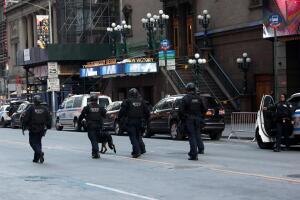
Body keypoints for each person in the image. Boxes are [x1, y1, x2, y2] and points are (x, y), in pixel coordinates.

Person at [118, 88, 150, 158]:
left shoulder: (127, 101)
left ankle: (136, 151)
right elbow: (147, 112)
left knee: (133, 137)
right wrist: (145, 120)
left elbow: (122, 111)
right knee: (138, 136)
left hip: (131, 122)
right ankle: (138, 150)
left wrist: (120, 118)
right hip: (139, 122)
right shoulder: (142, 101)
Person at [179, 82, 207, 160]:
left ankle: (194, 154)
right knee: (197, 134)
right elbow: (204, 109)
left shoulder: (185, 98)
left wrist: (183, 119)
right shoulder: (199, 98)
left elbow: (181, 111)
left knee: (191, 137)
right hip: (198, 120)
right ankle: (200, 149)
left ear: (187, 89)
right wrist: (201, 117)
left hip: (189, 120)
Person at [22, 95, 51, 163]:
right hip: (42, 129)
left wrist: (24, 126)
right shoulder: (45, 109)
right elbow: (49, 118)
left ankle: (39, 152)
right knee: (38, 142)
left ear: (34, 101)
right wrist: (48, 126)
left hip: (33, 128)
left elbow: (26, 118)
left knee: (32, 142)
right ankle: (36, 158)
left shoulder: (31, 108)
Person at [78, 94, 106, 159]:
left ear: (91, 100)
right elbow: (104, 115)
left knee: (93, 139)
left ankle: (96, 152)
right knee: (95, 139)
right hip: (99, 126)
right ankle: (94, 152)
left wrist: (79, 123)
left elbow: (82, 116)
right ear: (97, 100)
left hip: (91, 126)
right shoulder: (100, 107)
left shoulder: (87, 107)